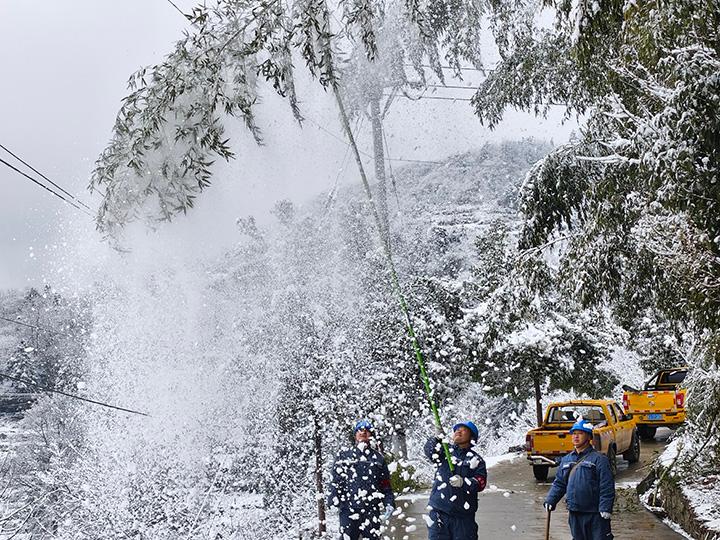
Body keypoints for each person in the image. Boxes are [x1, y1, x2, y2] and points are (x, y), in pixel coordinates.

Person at [543, 419, 615, 540]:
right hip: (575, 512)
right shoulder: (567, 460)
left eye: (580, 433)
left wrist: (605, 507)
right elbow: (560, 484)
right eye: (574, 433)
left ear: (588, 437)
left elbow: (606, 486)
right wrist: (550, 500)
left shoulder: (599, 459)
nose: (575, 436)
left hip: (595, 514)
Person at [327, 420, 395, 540]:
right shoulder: (344, 455)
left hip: (371, 510)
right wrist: (333, 498)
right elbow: (336, 480)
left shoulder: (378, 459)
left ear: (371, 435)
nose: (363, 433)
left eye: (367, 430)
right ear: (355, 435)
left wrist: (389, 503)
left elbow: (385, 485)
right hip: (348, 509)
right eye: (360, 430)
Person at [424, 421, 487, 540]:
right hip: (439, 512)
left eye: (463, 429)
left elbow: (480, 483)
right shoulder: (444, 452)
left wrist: (465, 482)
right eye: (457, 429)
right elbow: (430, 451)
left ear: (472, 437)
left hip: (464, 518)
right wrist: (436, 439)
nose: (458, 431)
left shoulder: (476, 460)